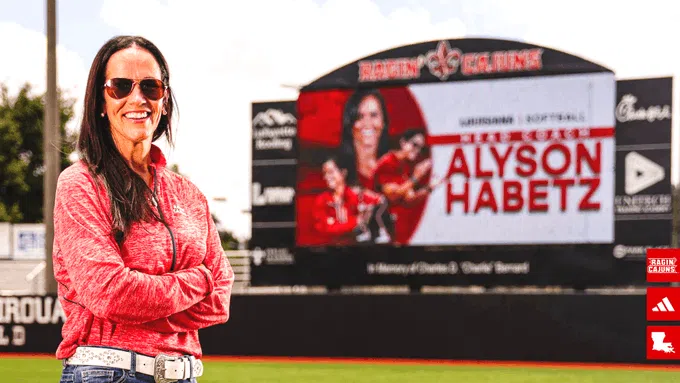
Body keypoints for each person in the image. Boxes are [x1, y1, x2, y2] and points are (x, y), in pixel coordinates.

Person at [52, 35, 234, 383]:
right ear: (101, 102)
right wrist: (198, 279)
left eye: (150, 87)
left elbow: (220, 299)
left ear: (164, 101)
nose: (137, 98)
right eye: (120, 86)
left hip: (185, 375)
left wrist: (142, 306)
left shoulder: (188, 194)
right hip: (106, 372)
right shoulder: (80, 184)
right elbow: (112, 293)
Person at [373, 129, 446, 244]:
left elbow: (409, 199)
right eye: (414, 145)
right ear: (403, 143)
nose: (417, 151)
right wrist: (416, 177)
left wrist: (429, 188)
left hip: (389, 226)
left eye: (421, 148)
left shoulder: (407, 165)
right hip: (373, 224)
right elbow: (393, 195)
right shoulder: (388, 162)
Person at [313, 156, 392, 245]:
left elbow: (380, 201)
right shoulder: (322, 200)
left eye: (331, 172)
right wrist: (355, 221)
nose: (326, 177)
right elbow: (324, 228)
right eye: (325, 173)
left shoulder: (357, 195)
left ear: (343, 173)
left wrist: (370, 213)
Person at [338, 89, 391, 190]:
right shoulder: (337, 174)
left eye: (374, 115)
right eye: (359, 116)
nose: (367, 123)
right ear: (350, 124)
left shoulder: (397, 170)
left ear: (383, 122)